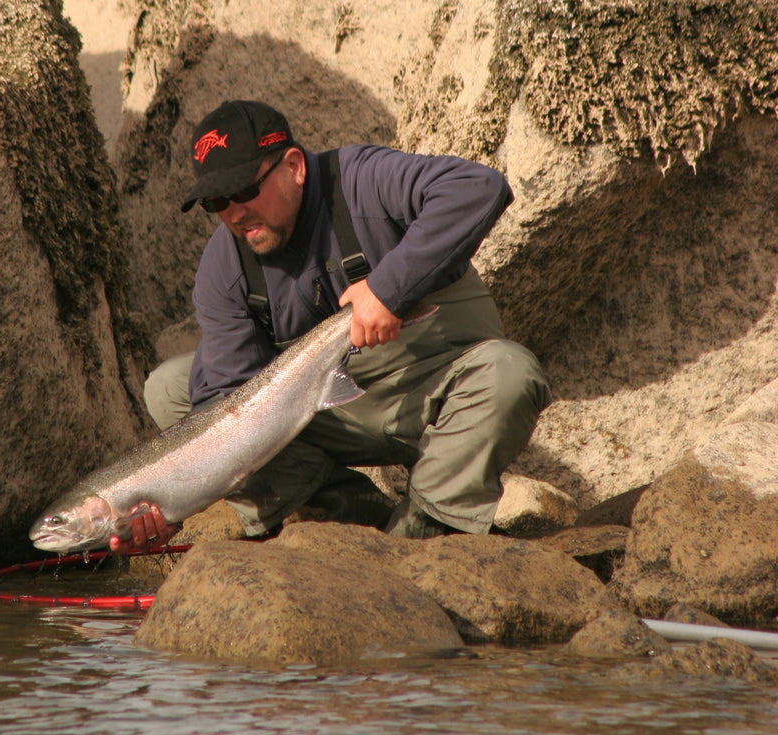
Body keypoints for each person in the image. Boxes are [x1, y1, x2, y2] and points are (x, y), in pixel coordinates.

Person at [110, 99, 551, 554]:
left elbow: (478, 186)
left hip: (436, 391)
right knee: (171, 389)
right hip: (328, 415)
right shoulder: (223, 267)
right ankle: (346, 514)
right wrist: (178, 505)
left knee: (510, 373)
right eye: (215, 201)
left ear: (295, 166)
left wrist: (387, 290)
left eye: (243, 190)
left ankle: (423, 524)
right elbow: (225, 406)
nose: (233, 214)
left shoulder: (362, 179)